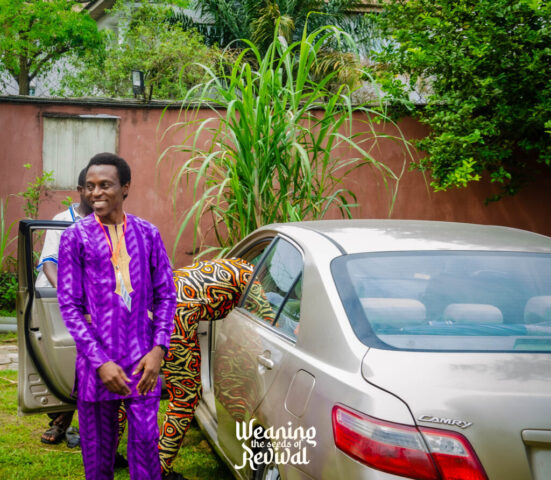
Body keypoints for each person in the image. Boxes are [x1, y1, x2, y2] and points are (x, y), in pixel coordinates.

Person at [57, 152, 176, 480]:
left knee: (146, 450)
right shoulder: (75, 237)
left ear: (125, 187)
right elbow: (69, 306)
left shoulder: (148, 234)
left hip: (142, 364)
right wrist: (100, 363)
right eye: (90, 186)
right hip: (96, 367)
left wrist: (158, 350)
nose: (95, 193)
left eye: (105, 185)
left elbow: (166, 296)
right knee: (97, 458)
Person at [159, 258, 274, 480]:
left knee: (129, 389)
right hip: (176, 315)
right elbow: (268, 320)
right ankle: (159, 470)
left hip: (162, 302)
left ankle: (111, 454)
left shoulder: (237, 265)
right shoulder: (251, 280)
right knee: (185, 397)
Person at [37, 168, 93, 445]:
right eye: (90, 187)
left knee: (85, 357)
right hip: (56, 298)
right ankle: (62, 417)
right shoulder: (62, 221)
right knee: (62, 356)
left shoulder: (107, 222)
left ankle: (68, 419)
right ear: (80, 189)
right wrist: (68, 298)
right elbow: (49, 262)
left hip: (91, 302)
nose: (96, 193)